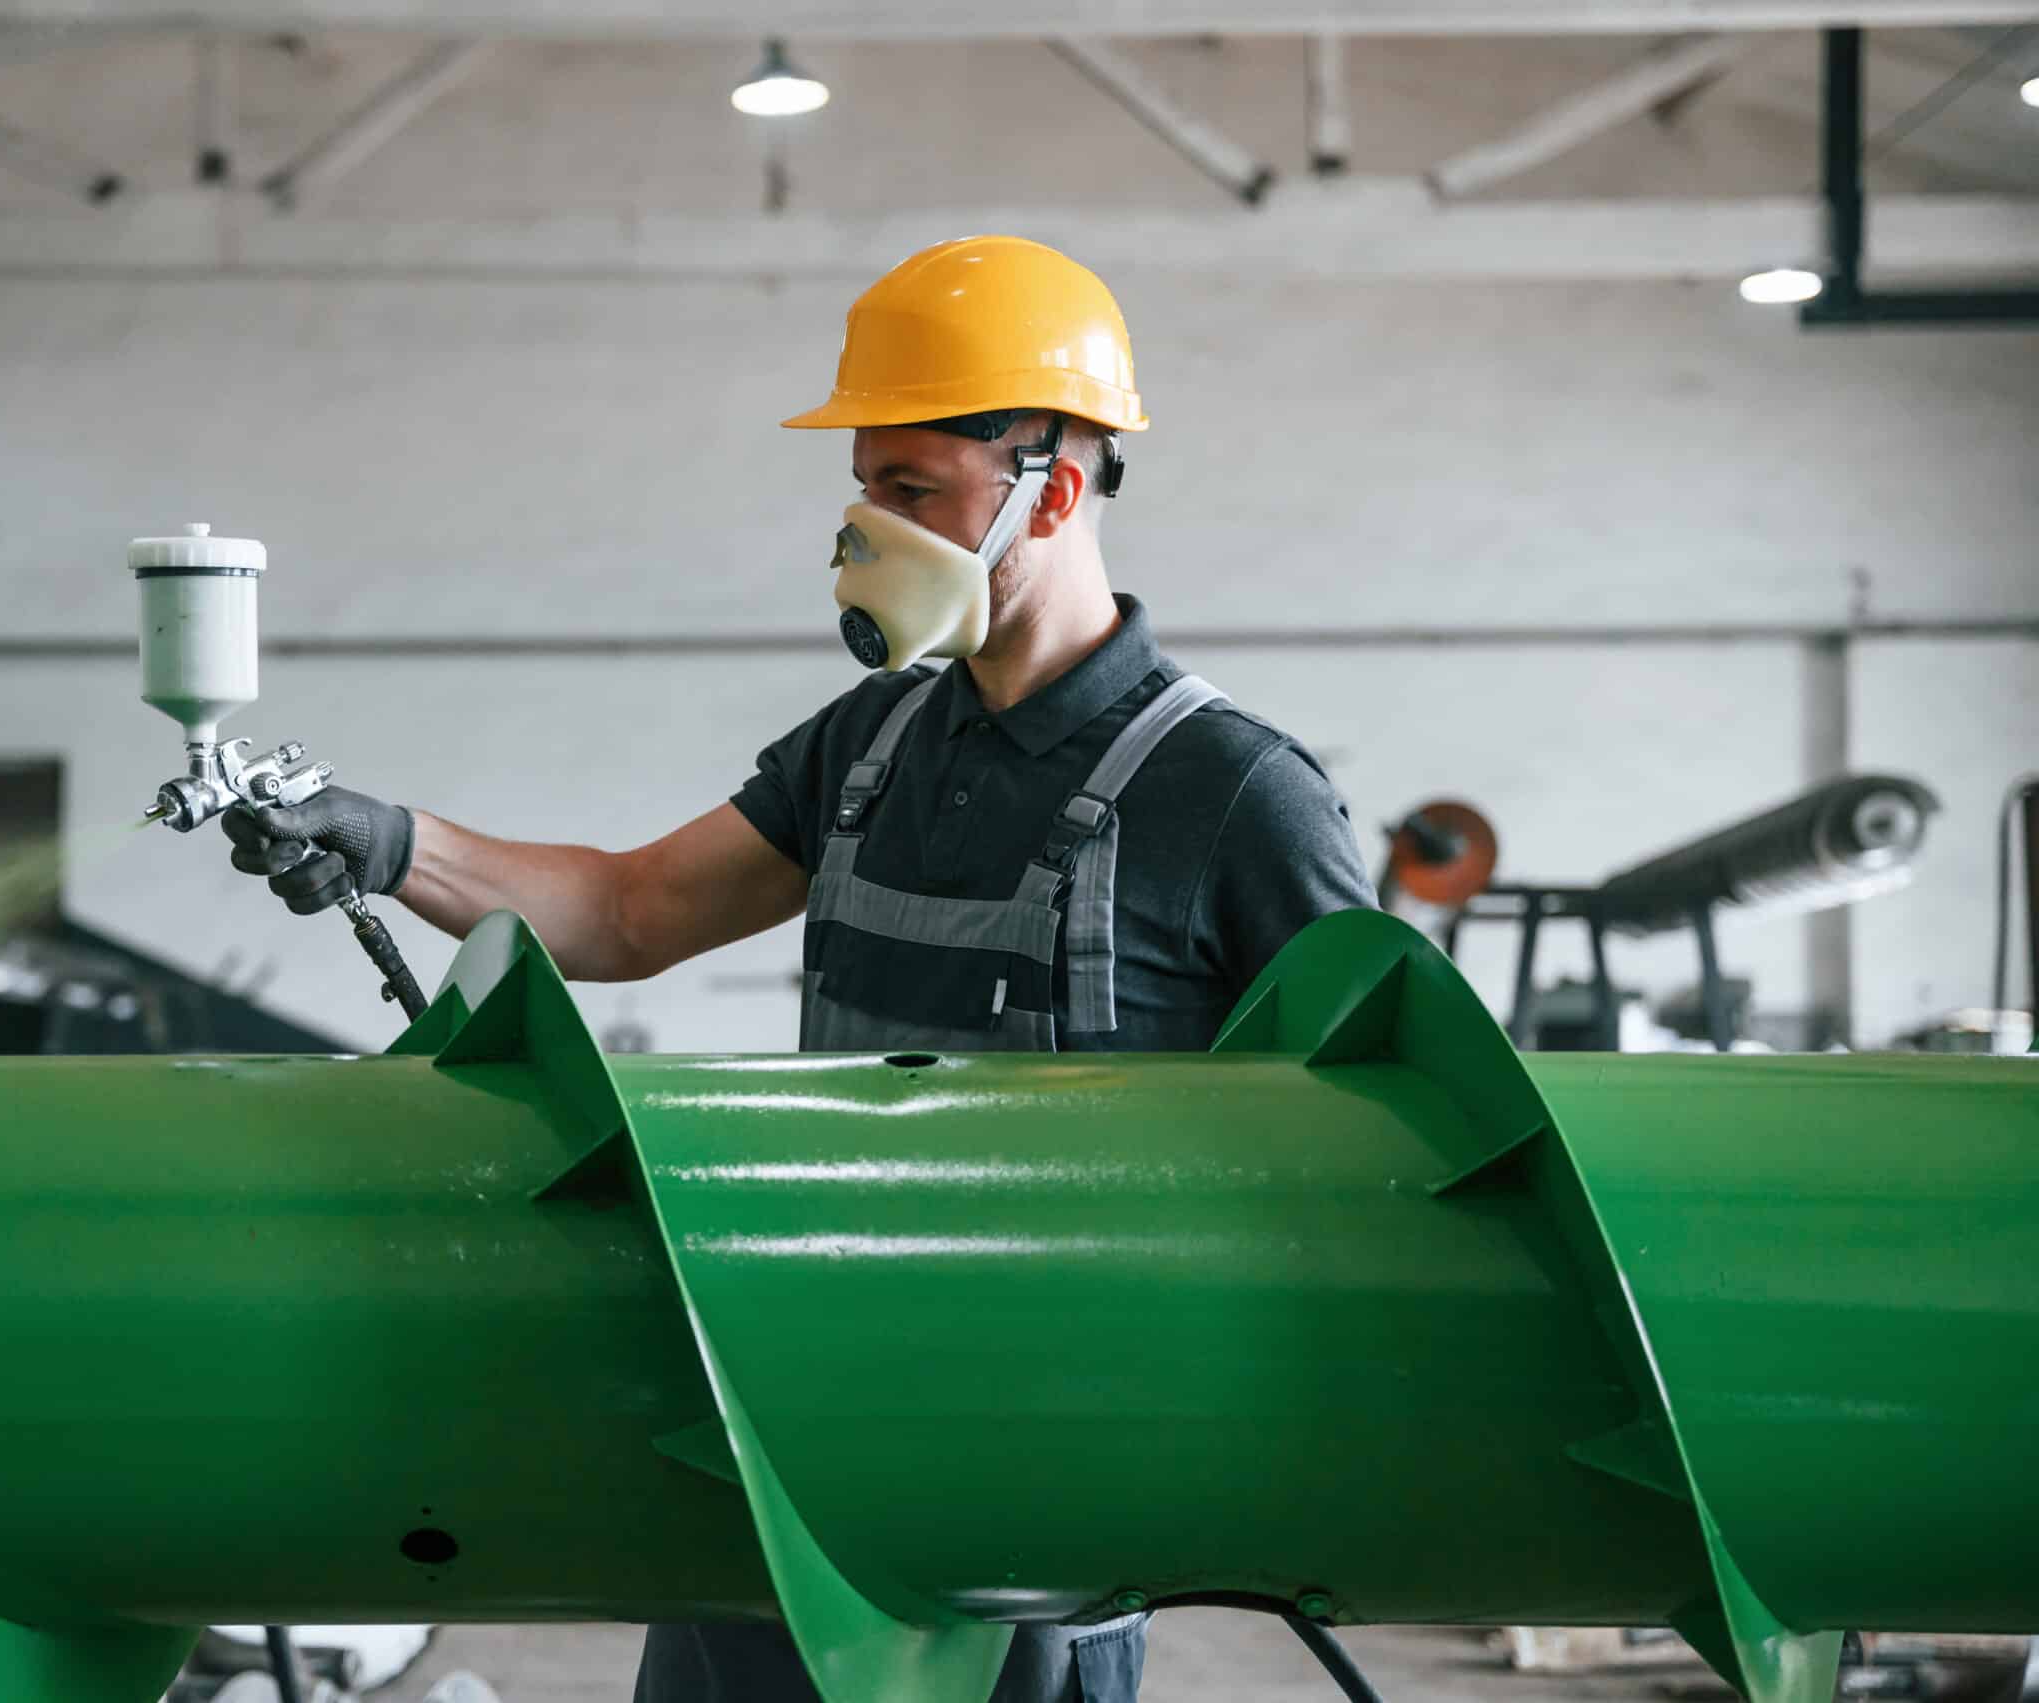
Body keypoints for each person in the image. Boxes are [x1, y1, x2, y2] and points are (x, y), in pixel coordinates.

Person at [223, 234, 1377, 1703]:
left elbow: (1370, 1142)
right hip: (789, 1433)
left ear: (1053, 488)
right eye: (863, 489)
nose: (867, 531)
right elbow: (631, 912)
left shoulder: (1237, 794)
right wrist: (395, 843)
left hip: (1039, 1497)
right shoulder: (867, 746)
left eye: (913, 490)